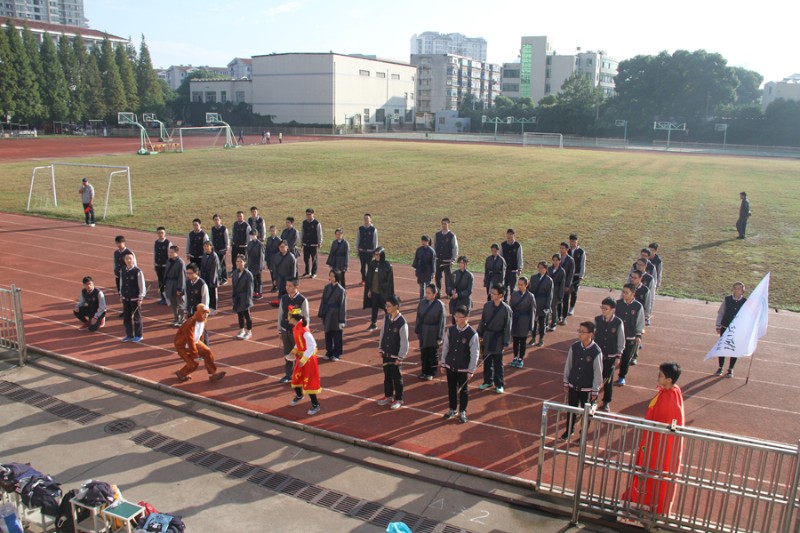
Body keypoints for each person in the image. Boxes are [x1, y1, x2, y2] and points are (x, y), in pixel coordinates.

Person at [622, 362, 685, 516]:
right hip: (652, 443)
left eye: (661, 375)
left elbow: (664, 422)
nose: (657, 377)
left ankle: (653, 506)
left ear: (669, 380)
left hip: (658, 447)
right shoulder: (666, 393)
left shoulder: (671, 398)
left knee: (654, 475)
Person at [561, 321, 602, 440]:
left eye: (582, 332)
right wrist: (566, 381)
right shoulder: (574, 347)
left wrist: (595, 390)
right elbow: (568, 365)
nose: (579, 334)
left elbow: (597, 372)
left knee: (586, 413)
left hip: (587, 389)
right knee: (571, 409)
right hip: (574, 385)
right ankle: (569, 430)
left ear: (590, 334)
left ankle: (582, 434)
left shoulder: (596, 351)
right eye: (579, 331)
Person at [440, 305, 479, 423]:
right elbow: (445, 347)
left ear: (467, 317)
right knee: (451, 388)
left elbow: (475, 353)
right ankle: (452, 408)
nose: (457, 319)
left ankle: (463, 411)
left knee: (463, 390)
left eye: (460, 317)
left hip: (463, 367)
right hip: (450, 365)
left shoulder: (472, 334)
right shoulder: (450, 330)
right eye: (455, 316)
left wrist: (471, 370)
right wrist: (443, 363)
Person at [174, 304, 226, 383]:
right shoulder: (190, 323)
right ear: (198, 313)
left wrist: (201, 344)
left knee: (208, 352)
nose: (205, 315)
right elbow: (189, 340)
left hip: (196, 341)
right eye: (203, 313)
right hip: (182, 345)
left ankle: (212, 374)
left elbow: (201, 334)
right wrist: (195, 354)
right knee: (194, 363)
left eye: (207, 313)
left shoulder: (204, 321)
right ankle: (181, 373)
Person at [477, 284, 513, 394]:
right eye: (491, 292)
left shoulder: (506, 309)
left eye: (494, 293)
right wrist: (479, 333)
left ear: (501, 295)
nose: (491, 295)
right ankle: (487, 380)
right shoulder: (487, 306)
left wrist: (505, 341)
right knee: (486, 360)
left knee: (498, 363)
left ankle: (499, 384)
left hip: (498, 338)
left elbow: (508, 326)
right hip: (486, 337)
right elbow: (483, 321)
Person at [287, 306, 322, 415]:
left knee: (309, 381)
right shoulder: (296, 328)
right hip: (300, 357)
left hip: (308, 360)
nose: (287, 318)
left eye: (289, 316)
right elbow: (299, 342)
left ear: (293, 317)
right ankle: (299, 395)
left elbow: (312, 345)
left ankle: (316, 405)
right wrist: (294, 350)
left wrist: (304, 359)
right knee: (296, 377)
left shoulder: (304, 330)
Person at [377, 295, 408, 410]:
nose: (386, 308)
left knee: (397, 378)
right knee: (387, 376)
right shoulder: (386, 318)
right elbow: (382, 334)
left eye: (388, 306)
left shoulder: (402, 322)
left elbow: (404, 342)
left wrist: (400, 357)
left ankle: (399, 398)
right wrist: (381, 348)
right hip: (386, 353)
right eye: (386, 305)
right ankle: (388, 396)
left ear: (396, 306)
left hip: (395, 356)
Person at [594, 297, 625, 412]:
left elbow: (621, 340)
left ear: (612, 309)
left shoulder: (618, 323)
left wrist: (618, 355)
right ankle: (592, 401)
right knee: (595, 378)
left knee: (608, 380)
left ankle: (606, 401)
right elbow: (593, 335)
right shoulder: (597, 320)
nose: (603, 310)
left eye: (605, 309)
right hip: (598, 356)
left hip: (610, 356)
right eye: (602, 308)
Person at [278, 278, 310, 383]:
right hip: (285, 331)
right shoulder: (283, 298)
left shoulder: (302, 300)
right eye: (287, 285)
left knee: (298, 355)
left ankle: (300, 375)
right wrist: (279, 330)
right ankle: (288, 374)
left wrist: (304, 333)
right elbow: (280, 315)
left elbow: (306, 318)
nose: (287, 288)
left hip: (297, 333)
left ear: (296, 287)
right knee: (287, 353)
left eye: (290, 286)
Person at [714, 281, 747, 377]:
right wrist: (718, 325)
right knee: (722, 347)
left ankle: (730, 369)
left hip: (737, 329)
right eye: (735, 288)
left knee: (734, 348)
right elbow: (721, 312)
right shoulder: (727, 299)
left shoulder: (745, 302)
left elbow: (746, 316)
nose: (737, 290)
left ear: (742, 291)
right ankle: (720, 368)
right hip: (725, 326)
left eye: (739, 289)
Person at [415, 283, 447, 380]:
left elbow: (442, 322)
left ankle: (431, 372)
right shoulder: (422, 303)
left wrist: (439, 337)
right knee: (424, 352)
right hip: (424, 331)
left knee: (432, 353)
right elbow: (418, 317)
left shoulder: (440, 305)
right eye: (426, 292)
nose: (426, 295)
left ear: (435, 294)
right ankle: (424, 371)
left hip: (433, 331)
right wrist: (418, 330)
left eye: (429, 293)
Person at [615, 283, 645, 386]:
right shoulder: (617, 304)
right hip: (617, 336)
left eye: (626, 292)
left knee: (626, 358)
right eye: (623, 292)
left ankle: (622, 376)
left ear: (633, 294)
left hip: (630, 337)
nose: (623, 294)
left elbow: (640, 322)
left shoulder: (638, 306)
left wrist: (638, 335)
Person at [318, 270, 347, 361]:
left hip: (336, 314)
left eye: (333, 276)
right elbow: (323, 301)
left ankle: (337, 353)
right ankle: (329, 351)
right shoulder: (326, 287)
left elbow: (343, 305)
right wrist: (322, 313)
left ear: (337, 277)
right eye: (330, 275)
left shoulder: (341, 290)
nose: (331, 278)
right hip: (328, 313)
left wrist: (342, 320)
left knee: (337, 334)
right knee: (328, 333)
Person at [363, 247, 394, 331]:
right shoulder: (372, 264)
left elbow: (389, 281)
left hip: (383, 292)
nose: (376, 256)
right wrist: (369, 290)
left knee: (387, 308)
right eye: (375, 254)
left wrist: (385, 289)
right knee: (374, 307)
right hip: (374, 291)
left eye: (378, 254)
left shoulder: (387, 266)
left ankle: (389, 323)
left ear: (382, 255)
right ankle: (373, 323)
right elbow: (369, 278)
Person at [120, 251, 145, 342]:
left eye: (130, 258)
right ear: (124, 260)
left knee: (137, 317)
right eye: (127, 259)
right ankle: (129, 335)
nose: (129, 260)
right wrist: (121, 294)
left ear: (133, 259)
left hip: (135, 298)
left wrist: (140, 297)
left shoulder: (137, 271)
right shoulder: (122, 269)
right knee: (126, 317)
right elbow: (121, 283)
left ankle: (139, 335)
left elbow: (141, 285)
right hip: (125, 297)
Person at [510, 277, 535, 368]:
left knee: (523, 341)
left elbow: (532, 311)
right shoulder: (514, 294)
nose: (519, 286)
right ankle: (515, 356)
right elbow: (511, 308)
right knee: (515, 340)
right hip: (516, 320)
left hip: (525, 320)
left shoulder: (530, 296)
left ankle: (521, 358)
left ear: (526, 285)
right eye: (518, 284)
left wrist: (531, 326)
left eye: (521, 285)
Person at [528, 261, 553, 347]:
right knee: (533, 322)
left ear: (546, 269)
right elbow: (530, 290)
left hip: (543, 303)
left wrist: (547, 306)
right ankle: (533, 337)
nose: (540, 269)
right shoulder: (533, 277)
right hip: (534, 302)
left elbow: (550, 294)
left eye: (542, 268)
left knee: (542, 323)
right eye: (539, 267)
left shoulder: (549, 280)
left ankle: (541, 338)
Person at [231, 254, 254, 340]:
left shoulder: (248, 274)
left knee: (247, 315)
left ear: (245, 262)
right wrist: (233, 296)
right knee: (239, 314)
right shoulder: (235, 273)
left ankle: (249, 331)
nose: (239, 263)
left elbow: (250, 288)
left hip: (245, 296)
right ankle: (241, 330)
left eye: (241, 261)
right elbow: (233, 286)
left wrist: (249, 300)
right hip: (237, 296)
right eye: (237, 261)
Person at [434, 218, 458, 297]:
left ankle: (448, 293)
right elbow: (434, 246)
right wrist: (434, 257)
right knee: (438, 276)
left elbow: (455, 248)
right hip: (438, 259)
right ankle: (438, 292)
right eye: (442, 223)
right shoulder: (437, 235)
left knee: (448, 278)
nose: (444, 225)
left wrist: (453, 259)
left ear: (448, 224)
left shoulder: (452, 235)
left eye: (445, 223)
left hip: (448, 260)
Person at [163, 245, 186, 327]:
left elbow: (182, 276)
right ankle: (176, 318)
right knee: (173, 303)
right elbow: (166, 273)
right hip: (169, 283)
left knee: (180, 303)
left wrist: (180, 288)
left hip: (177, 283)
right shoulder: (169, 261)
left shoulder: (180, 263)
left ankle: (182, 319)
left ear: (176, 252)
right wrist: (164, 284)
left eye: (172, 252)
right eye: (169, 252)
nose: (170, 254)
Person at [501, 229, 523, 302]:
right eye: (508, 234)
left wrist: (520, 268)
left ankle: (513, 302)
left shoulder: (518, 246)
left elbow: (519, 257)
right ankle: (505, 301)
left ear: (514, 235)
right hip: (505, 271)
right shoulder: (503, 245)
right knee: (504, 287)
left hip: (513, 271)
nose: (509, 236)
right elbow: (500, 257)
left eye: (511, 234)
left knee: (512, 288)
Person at [449, 256, 474, 320]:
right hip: (455, 301)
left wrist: (458, 294)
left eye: (462, 263)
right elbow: (449, 285)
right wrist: (451, 292)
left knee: (462, 320)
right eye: (459, 262)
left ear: (466, 264)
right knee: (454, 320)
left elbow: (469, 290)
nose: (460, 264)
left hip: (464, 301)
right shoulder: (454, 273)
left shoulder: (469, 275)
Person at [356, 213, 378, 284]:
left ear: (370, 220)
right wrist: (357, 249)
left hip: (370, 251)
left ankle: (369, 280)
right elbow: (358, 239)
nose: (366, 220)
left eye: (367, 218)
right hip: (362, 251)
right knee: (362, 267)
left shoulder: (373, 229)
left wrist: (375, 251)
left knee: (370, 266)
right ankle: (363, 279)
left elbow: (375, 241)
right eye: (365, 218)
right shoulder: (360, 229)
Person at [567, 234, 586, 316]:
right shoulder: (567, 250)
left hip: (576, 275)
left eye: (574, 241)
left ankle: (571, 307)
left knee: (574, 292)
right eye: (571, 241)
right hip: (567, 275)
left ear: (577, 241)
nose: (573, 243)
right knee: (566, 291)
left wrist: (581, 275)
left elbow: (583, 264)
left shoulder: (581, 252)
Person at [301, 208, 323, 278]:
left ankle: (314, 273)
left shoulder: (317, 223)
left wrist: (320, 241)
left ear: (313, 214)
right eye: (307, 214)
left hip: (314, 243)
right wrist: (301, 241)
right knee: (305, 258)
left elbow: (319, 233)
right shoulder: (304, 222)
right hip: (306, 243)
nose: (308, 216)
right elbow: (302, 232)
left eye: (309, 214)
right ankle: (307, 271)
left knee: (314, 258)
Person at [558, 242, 575, 325]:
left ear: (567, 249)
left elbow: (571, 274)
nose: (561, 250)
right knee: (558, 301)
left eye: (563, 248)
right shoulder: (557, 258)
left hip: (566, 285)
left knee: (565, 301)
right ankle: (558, 317)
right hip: (558, 284)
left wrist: (567, 285)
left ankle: (564, 317)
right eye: (560, 248)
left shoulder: (570, 260)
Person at [200, 241, 220, 313]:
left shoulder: (214, 256)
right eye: (205, 246)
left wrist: (212, 280)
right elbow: (202, 267)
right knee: (206, 292)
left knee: (213, 293)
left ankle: (213, 308)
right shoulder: (204, 255)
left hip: (212, 277)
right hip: (205, 276)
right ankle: (207, 306)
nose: (206, 248)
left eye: (207, 246)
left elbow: (215, 269)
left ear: (211, 247)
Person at [548, 254, 566, 331]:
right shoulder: (549, 268)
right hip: (548, 289)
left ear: (559, 261)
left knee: (553, 307)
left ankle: (553, 323)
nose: (555, 262)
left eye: (557, 260)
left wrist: (560, 295)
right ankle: (545, 323)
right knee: (546, 306)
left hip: (556, 290)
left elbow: (562, 284)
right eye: (554, 260)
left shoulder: (562, 271)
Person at [153, 227, 171, 305]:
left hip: (165, 266)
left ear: (165, 233)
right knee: (160, 282)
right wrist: (155, 264)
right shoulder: (156, 242)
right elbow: (155, 254)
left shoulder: (168, 243)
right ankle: (163, 298)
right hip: (158, 266)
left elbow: (170, 256)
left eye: (162, 233)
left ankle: (169, 298)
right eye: (159, 233)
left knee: (166, 282)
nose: (160, 234)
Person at [210, 214, 229, 285]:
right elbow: (211, 239)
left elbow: (227, 239)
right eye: (215, 220)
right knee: (216, 264)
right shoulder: (213, 229)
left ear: (220, 220)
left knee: (222, 264)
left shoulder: (224, 229)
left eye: (217, 219)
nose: (216, 221)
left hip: (222, 250)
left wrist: (227, 248)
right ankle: (218, 277)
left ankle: (224, 278)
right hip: (215, 250)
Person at [246, 229, 265, 299]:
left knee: (258, 279)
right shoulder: (250, 244)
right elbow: (247, 254)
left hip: (257, 264)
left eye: (253, 235)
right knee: (253, 278)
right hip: (251, 263)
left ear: (256, 235)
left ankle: (260, 292)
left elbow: (261, 256)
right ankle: (254, 291)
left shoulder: (260, 244)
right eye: (251, 235)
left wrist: (260, 266)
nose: (252, 236)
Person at [265, 225, 282, 292]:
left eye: (273, 231)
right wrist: (266, 259)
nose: (272, 232)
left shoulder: (279, 240)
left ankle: (277, 286)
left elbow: (280, 250)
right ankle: (273, 285)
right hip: (270, 259)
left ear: (276, 231)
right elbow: (267, 249)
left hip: (276, 259)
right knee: (271, 272)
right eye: (271, 231)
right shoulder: (269, 239)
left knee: (276, 273)